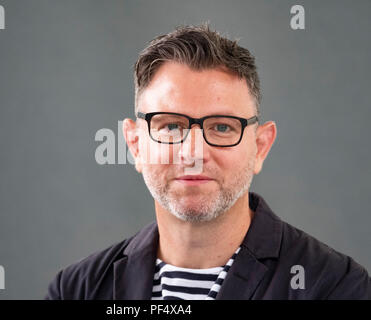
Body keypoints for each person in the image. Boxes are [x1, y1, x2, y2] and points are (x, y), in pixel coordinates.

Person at [45, 23, 370, 300]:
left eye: (222, 127)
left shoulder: (336, 287)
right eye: (171, 126)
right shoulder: (77, 290)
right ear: (135, 145)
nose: (194, 152)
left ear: (260, 147)